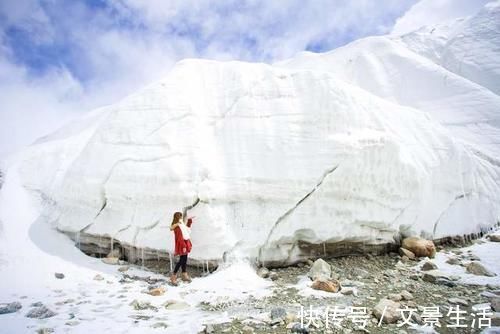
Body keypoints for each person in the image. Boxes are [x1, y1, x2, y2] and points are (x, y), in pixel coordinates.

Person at [170, 211, 194, 285]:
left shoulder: (181, 224)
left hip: (184, 243)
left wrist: (189, 221)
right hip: (182, 244)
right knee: (181, 260)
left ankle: (184, 274)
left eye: (181, 216)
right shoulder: (177, 226)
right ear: (177, 217)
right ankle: (173, 276)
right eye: (180, 216)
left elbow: (187, 231)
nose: (181, 217)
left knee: (184, 259)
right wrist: (183, 246)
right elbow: (179, 237)